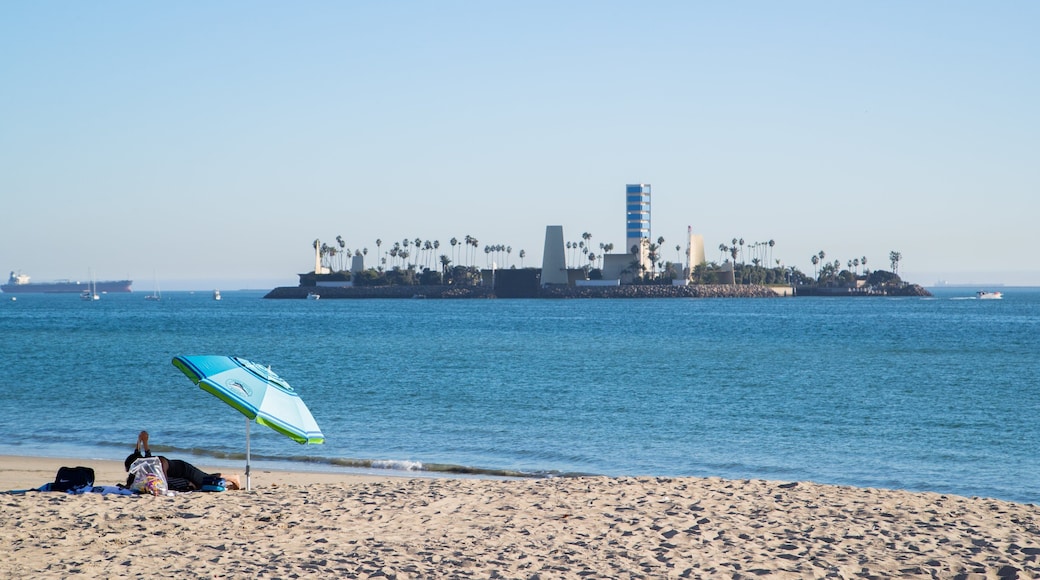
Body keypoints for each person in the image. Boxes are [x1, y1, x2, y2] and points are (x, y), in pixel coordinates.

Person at [124, 431, 240, 491]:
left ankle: (233, 478)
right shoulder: (146, 462)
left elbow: (163, 483)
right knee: (202, 486)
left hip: (185, 469)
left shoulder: (158, 463)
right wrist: (141, 440)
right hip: (178, 471)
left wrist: (187, 483)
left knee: (203, 480)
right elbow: (139, 453)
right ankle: (228, 485)